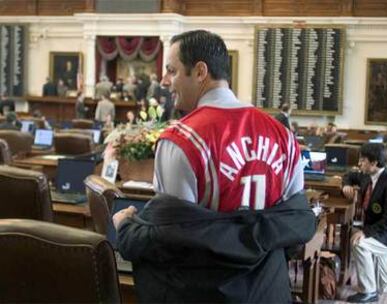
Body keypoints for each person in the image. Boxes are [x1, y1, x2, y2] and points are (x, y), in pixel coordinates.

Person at [113, 30, 314, 303]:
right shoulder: (283, 135)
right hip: (269, 290)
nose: (164, 81)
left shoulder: (180, 140)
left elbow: (173, 242)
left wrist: (127, 228)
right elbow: (292, 224)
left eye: (172, 70)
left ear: (199, 71)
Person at [342, 143, 387, 303]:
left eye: (363, 160)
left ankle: (368, 292)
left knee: (359, 243)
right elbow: (350, 176)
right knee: (385, 285)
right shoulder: (368, 175)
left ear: (374, 163)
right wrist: (346, 184)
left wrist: (366, 233)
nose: (359, 163)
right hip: (379, 231)